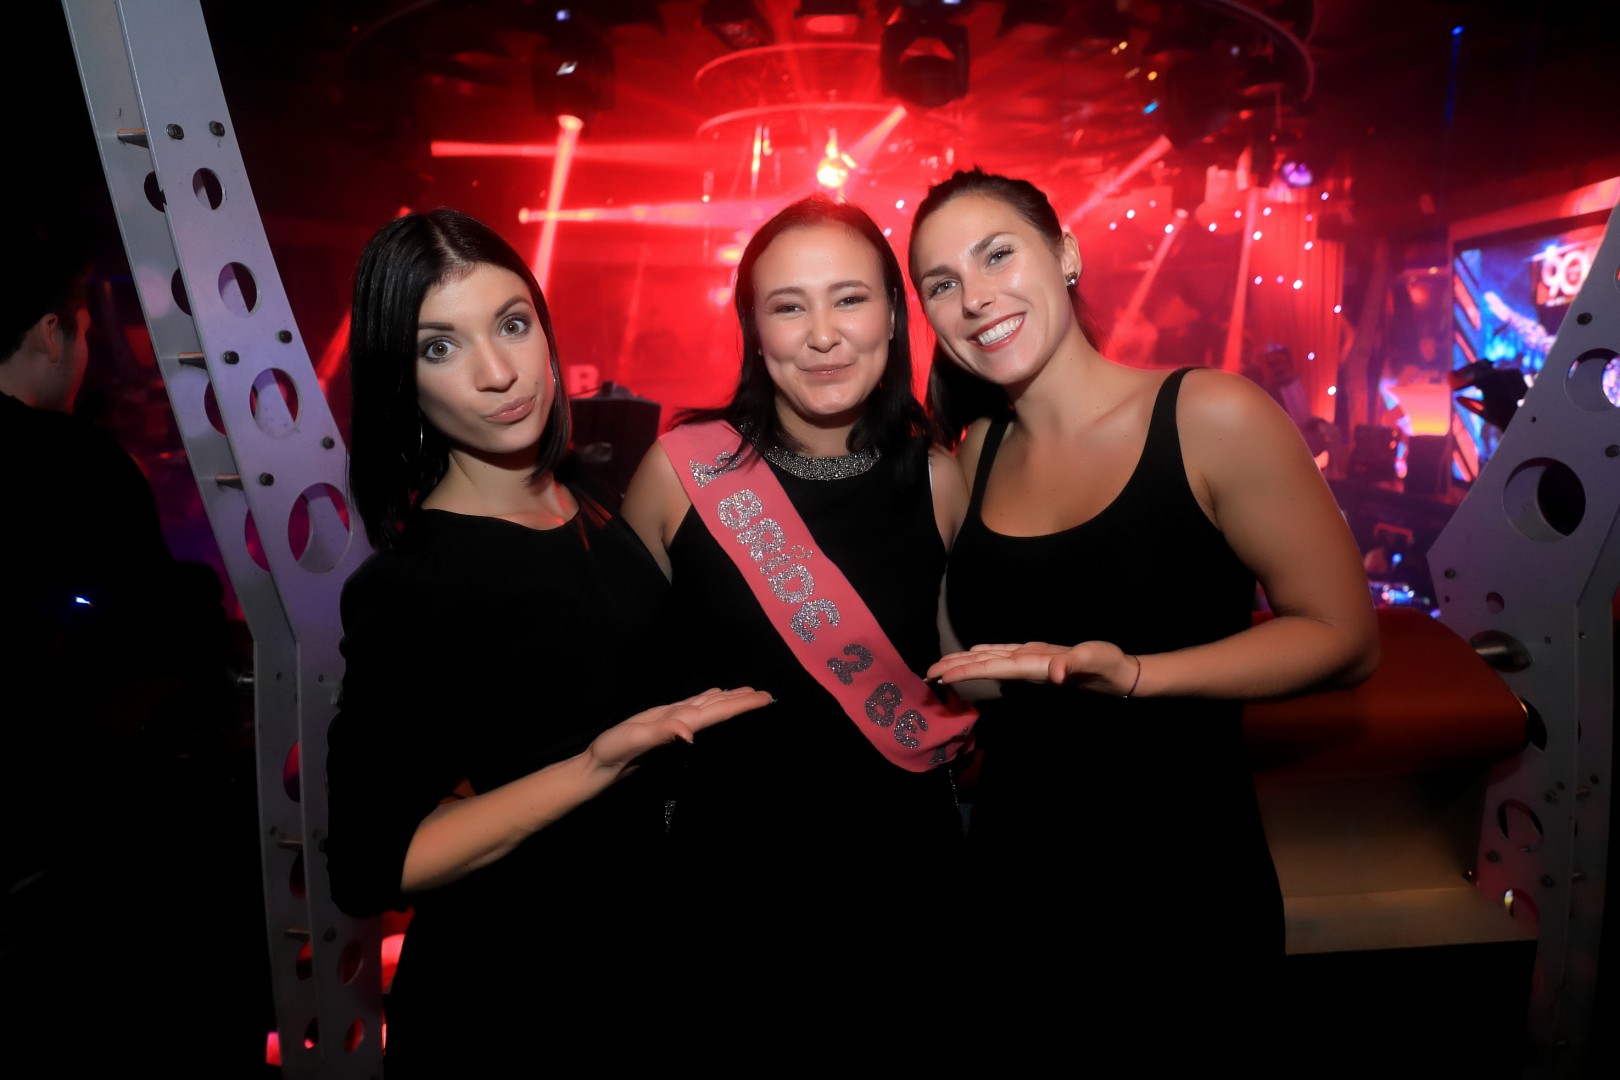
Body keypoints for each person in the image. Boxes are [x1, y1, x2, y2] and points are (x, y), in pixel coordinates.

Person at [908, 169, 1379, 1051]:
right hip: (1013, 882)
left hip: (1183, 888)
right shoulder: (975, 455)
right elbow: (983, 678)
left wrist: (1134, 676)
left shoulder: (1210, 415)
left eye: (997, 255)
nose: (974, 298)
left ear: (1066, 253)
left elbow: (1344, 638)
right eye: (941, 283)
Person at [323, 208, 769, 1074]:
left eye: (512, 324)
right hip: (516, 992)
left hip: (640, 961)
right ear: (400, 381)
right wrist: (596, 765)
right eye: (439, 347)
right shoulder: (413, 586)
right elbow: (372, 863)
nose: (498, 373)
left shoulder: (583, 495)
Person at [621, 195, 975, 1032]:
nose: (822, 335)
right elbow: (614, 681)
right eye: (788, 307)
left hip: (907, 882)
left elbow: (967, 677)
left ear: (893, 315)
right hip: (725, 889)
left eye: (849, 298)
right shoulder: (681, 473)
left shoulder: (941, 479)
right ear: (754, 329)